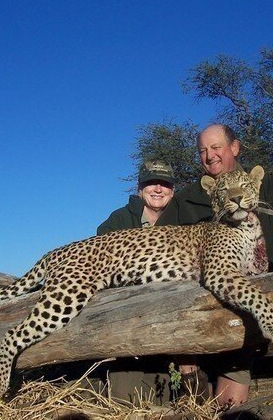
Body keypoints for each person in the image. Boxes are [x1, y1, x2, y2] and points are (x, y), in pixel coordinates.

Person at [157, 123, 273, 406]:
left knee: (230, 399)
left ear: (234, 147)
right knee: (195, 393)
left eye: (216, 147)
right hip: (196, 305)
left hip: (249, 298)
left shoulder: (262, 184)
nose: (210, 156)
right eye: (203, 151)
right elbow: (156, 242)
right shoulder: (187, 197)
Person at [97, 159, 176, 403]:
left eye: (164, 184)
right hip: (126, 321)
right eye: (151, 183)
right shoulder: (118, 220)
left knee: (163, 398)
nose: (158, 189)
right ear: (140, 188)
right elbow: (99, 259)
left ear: (173, 191)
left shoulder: (183, 218)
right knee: (123, 398)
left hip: (169, 321)